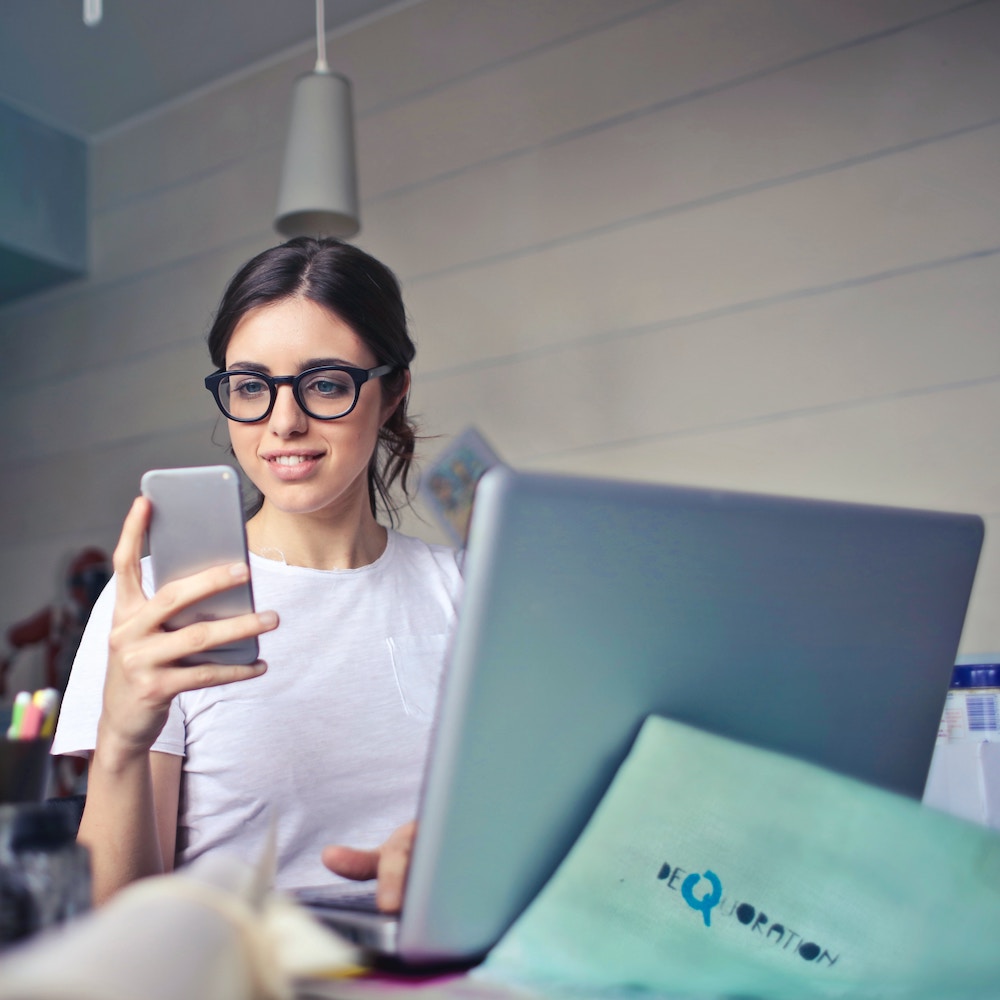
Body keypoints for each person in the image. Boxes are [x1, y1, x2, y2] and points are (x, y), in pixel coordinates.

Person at [52, 237, 463, 910]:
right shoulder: (162, 604)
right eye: (251, 387)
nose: (284, 422)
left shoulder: (467, 593)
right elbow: (117, 924)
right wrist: (123, 741)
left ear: (392, 393)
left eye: (326, 384)